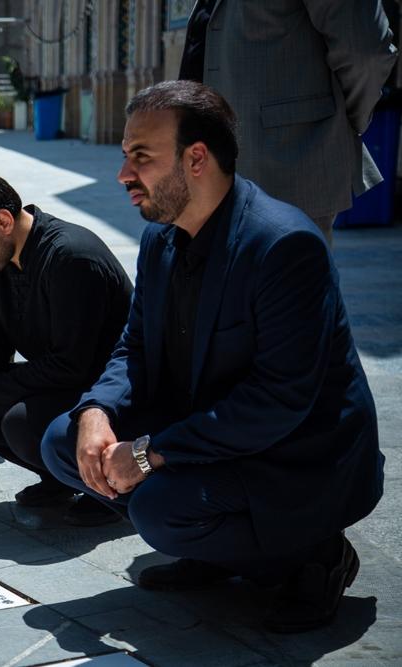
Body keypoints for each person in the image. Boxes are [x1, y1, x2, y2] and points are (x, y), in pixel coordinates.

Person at [40, 81, 383, 633]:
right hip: (210, 429)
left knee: (158, 509)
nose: (123, 174)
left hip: (294, 454)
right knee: (65, 443)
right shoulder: (161, 239)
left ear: (196, 158)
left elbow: (279, 400)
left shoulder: (282, 244)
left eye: (141, 157)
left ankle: (315, 557)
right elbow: (135, 346)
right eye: (126, 155)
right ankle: (214, 548)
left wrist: (149, 454)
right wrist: (97, 412)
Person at [0, 168, 132, 518]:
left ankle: (110, 491)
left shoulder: (70, 257)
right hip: (63, 382)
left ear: (3, 222)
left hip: (111, 397)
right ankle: (61, 478)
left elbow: (73, 365)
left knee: (17, 422)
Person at [178, 0, 397, 243]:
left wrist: (345, 119)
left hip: (283, 164)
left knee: (285, 265)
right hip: (205, 171)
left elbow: (365, 52)